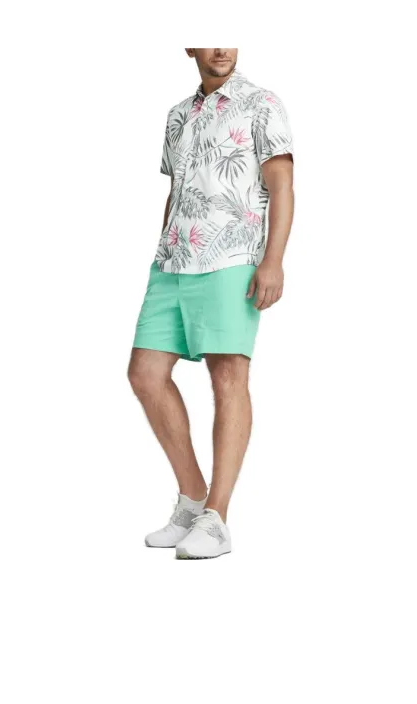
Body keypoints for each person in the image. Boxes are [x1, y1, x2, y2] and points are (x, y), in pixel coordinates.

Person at [128, 48, 294, 559]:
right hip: (173, 261)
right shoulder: (177, 115)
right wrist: (162, 249)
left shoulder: (261, 102)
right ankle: (193, 498)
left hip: (232, 257)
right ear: (189, 47)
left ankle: (217, 519)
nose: (221, 48)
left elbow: (282, 184)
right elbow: (177, 189)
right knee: (145, 374)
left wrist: (273, 260)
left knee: (228, 378)